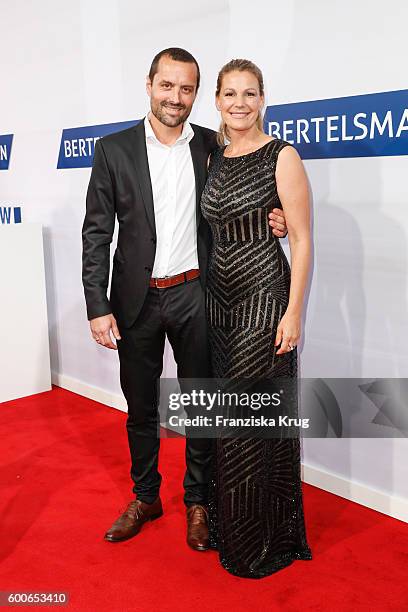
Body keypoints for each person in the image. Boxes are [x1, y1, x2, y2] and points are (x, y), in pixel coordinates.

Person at [82, 48, 288, 551]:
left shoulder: (210, 146)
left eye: (187, 89)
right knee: (142, 407)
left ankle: (198, 501)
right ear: (149, 84)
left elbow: (239, 196)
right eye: (167, 86)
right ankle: (146, 496)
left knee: (200, 403)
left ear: (199, 95)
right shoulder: (114, 150)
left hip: (198, 294)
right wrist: (96, 303)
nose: (176, 98)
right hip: (135, 301)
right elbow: (96, 233)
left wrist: (274, 218)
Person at [201, 59, 312, 577]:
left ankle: (258, 546)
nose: (240, 102)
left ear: (263, 99)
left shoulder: (282, 155)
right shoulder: (215, 158)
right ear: (218, 101)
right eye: (230, 94)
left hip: (265, 297)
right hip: (218, 303)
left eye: (250, 93)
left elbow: (304, 240)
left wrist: (293, 313)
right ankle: (241, 527)